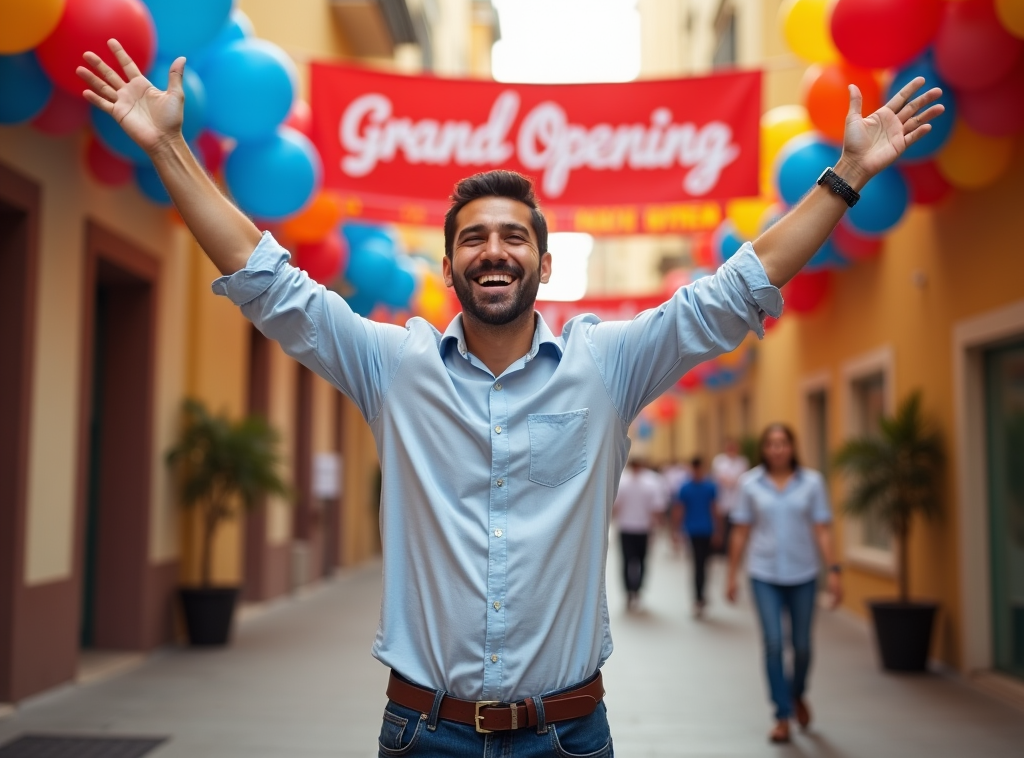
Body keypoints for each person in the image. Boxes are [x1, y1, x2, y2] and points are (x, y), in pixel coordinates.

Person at [76, 39, 940, 755]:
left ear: (544, 264)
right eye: (476, 238)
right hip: (423, 732)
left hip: (568, 734)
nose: (495, 251)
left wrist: (847, 174)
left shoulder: (609, 365)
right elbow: (266, 280)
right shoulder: (394, 368)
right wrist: (166, 147)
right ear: (450, 264)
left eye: (514, 237)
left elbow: (733, 290)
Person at [725, 424, 843, 745]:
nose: (777, 449)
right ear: (764, 449)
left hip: (804, 574)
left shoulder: (812, 482)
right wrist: (731, 575)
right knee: (774, 643)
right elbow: (740, 531)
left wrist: (834, 570)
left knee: (802, 646)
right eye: (771, 444)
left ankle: (797, 694)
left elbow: (822, 529)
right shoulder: (749, 484)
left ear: (792, 447)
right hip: (764, 574)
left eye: (783, 443)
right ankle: (781, 715)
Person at [612, 458, 668, 611]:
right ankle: (636, 589)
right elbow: (657, 508)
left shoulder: (622, 481)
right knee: (642, 560)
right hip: (643, 528)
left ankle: (629, 591)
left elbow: (615, 507)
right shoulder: (652, 481)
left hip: (626, 527)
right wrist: (657, 527)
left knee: (626, 561)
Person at [673, 457, 718, 617]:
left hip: (706, 530)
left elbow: (714, 509)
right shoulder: (685, 488)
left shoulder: (710, 486)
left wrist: (717, 530)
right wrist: (676, 531)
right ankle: (699, 597)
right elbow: (680, 509)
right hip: (693, 531)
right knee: (698, 564)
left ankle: (701, 595)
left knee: (704, 564)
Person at [711, 437, 750, 555]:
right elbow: (722, 479)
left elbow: (743, 480)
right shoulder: (719, 461)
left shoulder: (742, 461)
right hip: (723, 500)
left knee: (736, 528)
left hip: (737, 502)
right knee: (723, 527)